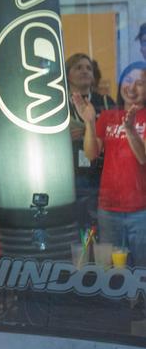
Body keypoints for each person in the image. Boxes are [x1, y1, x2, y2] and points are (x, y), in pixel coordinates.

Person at [73, 61, 146, 267]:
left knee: (141, 271)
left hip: (141, 211)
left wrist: (130, 129)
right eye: (128, 81)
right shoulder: (108, 116)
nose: (132, 88)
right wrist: (88, 122)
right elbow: (91, 153)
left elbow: (143, 157)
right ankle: (120, 301)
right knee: (113, 274)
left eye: (140, 83)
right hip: (108, 208)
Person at [66, 53, 116, 230]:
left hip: (102, 176)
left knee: (102, 231)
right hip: (70, 177)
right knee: (77, 232)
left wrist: (91, 130)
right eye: (78, 67)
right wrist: (63, 136)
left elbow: (118, 135)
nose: (85, 71)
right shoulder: (58, 105)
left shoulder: (106, 102)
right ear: (67, 74)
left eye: (88, 68)